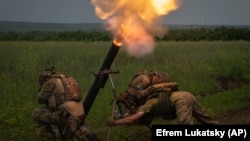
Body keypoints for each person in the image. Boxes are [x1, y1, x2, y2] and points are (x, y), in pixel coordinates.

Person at [108, 70, 219, 127]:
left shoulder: (148, 105)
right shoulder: (155, 97)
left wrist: (115, 122)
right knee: (206, 121)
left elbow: (131, 119)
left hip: (182, 101)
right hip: (187, 95)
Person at [32, 67, 99, 141]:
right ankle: (84, 134)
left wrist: (42, 90)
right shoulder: (70, 79)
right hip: (80, 115)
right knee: (61, 113)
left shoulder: (50, 82)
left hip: (66, 116)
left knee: (37, 113)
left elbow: (40, 99)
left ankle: (48, 138)